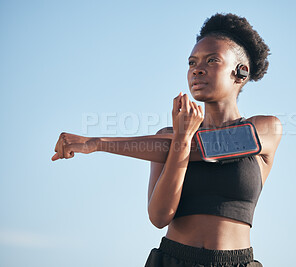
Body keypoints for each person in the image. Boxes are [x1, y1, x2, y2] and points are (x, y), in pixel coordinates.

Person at [52, 13, 282, 267]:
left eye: (212, 60)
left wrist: (98, 143)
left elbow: (210, 147)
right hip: (171, 260)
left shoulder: (266, 128)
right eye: (192, 62)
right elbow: (160, 217)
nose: (197, 69)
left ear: (240, 72)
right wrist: (180, 139)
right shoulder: (168, 137)